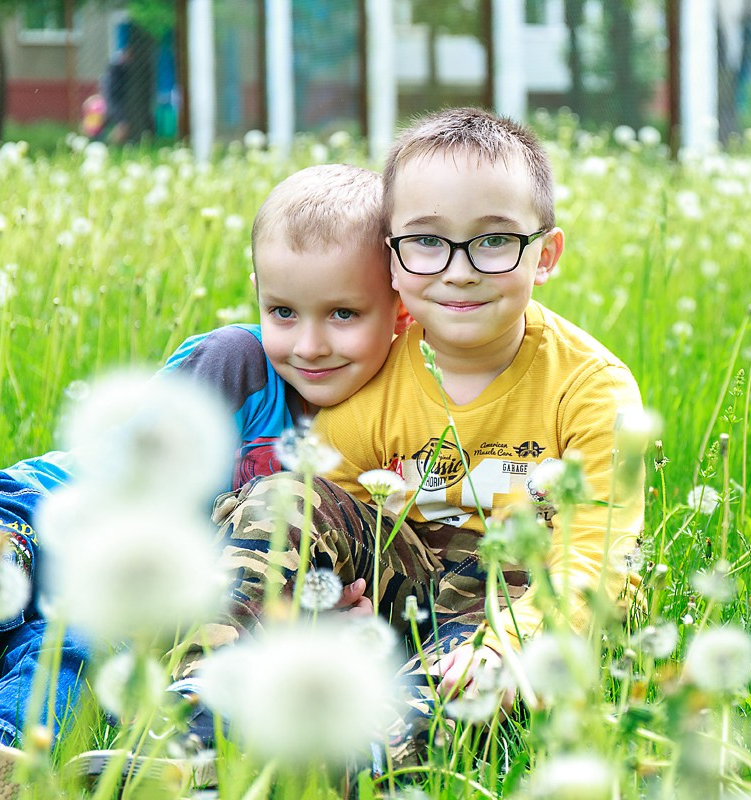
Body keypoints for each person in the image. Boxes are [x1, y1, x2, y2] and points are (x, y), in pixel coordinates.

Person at [0, 163, 404, 797]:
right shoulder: (236, 363)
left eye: (342, 313)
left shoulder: (389, 434)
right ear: (257, 291)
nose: (308, 344)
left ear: (401, 310)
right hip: (38, 517)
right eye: (283, 311)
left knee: (74, 657)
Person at [189, 107, 646, 767]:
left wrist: (505, 645)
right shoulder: (382, 375)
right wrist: (325, 599)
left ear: (544, 256)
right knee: (283, 496)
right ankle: (200, 719)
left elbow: (598, 560)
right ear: (393, 264)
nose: (458, 270)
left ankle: (335, 767)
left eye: (493, 241)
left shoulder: (593, 389)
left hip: (526, 605)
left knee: (457, 698)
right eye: (428, 242)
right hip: (412, 585)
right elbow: (327, 501)